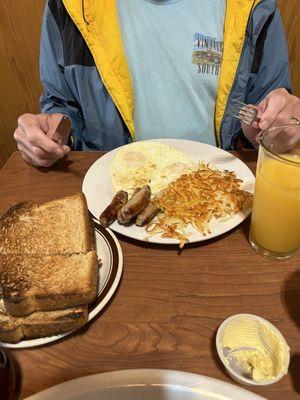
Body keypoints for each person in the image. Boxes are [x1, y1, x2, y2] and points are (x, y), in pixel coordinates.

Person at [14, 0, 300, 167]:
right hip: (108, 196)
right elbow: (63, 108)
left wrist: (275, 127)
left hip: (219, 198)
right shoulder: (69, 7)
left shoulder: (255, 8)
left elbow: (271, 115)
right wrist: (49, 134)